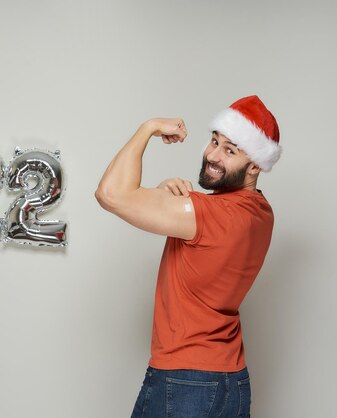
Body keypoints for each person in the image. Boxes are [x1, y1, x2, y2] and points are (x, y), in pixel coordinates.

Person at [95, 95, 281, 417]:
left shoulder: (207, 214)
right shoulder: (262, 213)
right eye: (214, 141)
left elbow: (110, 194)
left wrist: (148, 127)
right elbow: (208, 224)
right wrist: (163, 195)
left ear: (255, 165)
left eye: (230, 150)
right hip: (232, 383)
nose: (212, 155)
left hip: (185, 383)